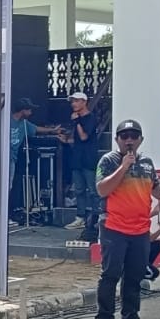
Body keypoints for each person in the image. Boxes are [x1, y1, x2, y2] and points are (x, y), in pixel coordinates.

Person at [94, 119, 160, 319]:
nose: (129, 140)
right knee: (111, 274)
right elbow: (102, 189)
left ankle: (130, 318)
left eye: (134, 136)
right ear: (117, 139)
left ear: (141, 139)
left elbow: (155, 187)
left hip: (140, 228)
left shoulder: (147, 163)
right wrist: (123, 167)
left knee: (135, 275)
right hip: (114, 227)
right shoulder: (109, 160)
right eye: (124, 136)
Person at [61, 92, 100, 233]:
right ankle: (80, 217)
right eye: (72, 101)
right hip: (77, 158)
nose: (73, 104)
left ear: (84, 102)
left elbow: (84, 137)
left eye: (76, 101)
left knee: (93, 190)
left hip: (88, 159)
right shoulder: (76, 119)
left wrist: (77, 121)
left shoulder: (91, 118)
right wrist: (65, 140)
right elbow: (76, 139)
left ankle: (96, 217)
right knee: (79, 190)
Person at [8, 98, 37, 224]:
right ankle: (4, 217)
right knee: (4, 187)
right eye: (29, 109)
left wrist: (54, 130)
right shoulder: (7, 120)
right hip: (3, 158)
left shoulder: (24, 124)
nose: (31, 112)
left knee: (8, 187)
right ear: (23, 110)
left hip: (12, 159)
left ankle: (7, 216)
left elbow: (36, 129)